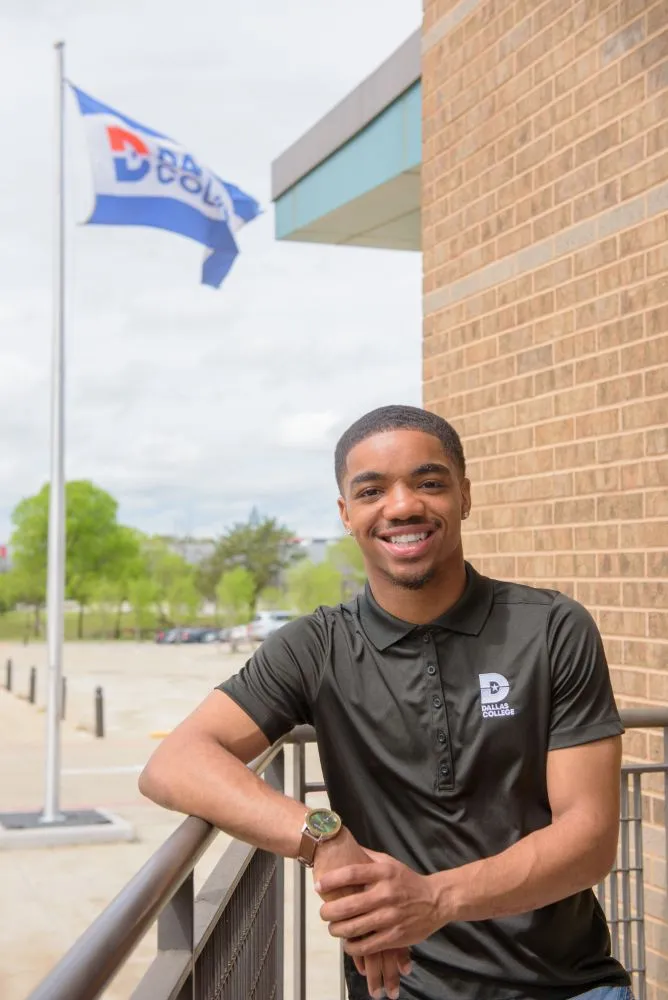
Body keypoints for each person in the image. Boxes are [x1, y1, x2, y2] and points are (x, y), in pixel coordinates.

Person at [139, 404, 632, 1000]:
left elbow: (590, 838)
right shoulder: (316, 645)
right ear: (347, 515)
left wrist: (435, 899)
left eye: (429, 482)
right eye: (372, 490)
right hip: (402, 992)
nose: (402, 506)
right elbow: (175, 763)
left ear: (465, 496)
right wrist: (321, 835)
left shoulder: (552, 628)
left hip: (568, 988)